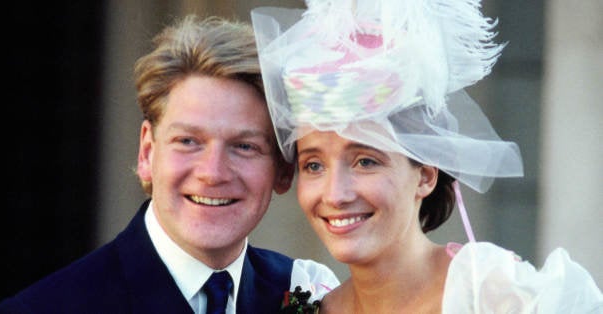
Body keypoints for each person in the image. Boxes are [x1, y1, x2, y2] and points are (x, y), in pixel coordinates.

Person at [252, 0, 603, 313]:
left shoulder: (495, 295)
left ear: (425, 174)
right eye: (313, 165)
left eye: (365, 161)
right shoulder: (306, 308)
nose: (335, 194)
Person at [0, 15, 339, 314]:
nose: (213, 172)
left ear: (282, 170)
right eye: (188, 141)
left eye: (244, 146)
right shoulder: (45, 310)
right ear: (147, 152)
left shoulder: (303, 295)